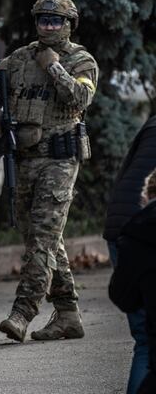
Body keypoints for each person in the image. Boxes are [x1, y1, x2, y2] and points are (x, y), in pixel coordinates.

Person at [0, 0, 98, 343]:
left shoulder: (81, 60)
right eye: (43, 19)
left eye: (56, 20)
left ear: (69, 24)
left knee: (43, 239)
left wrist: (53, 66)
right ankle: (68, 314)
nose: (48, 26)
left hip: (60, 160)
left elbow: (79, 98)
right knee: (42, 239)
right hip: (25, 158)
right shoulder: (19, 58)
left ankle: (23, 311)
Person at [104, 115, 156, 394]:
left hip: (122, 226)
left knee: (145, 340)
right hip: (141, 225)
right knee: (148, 341)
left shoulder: (151, 124)